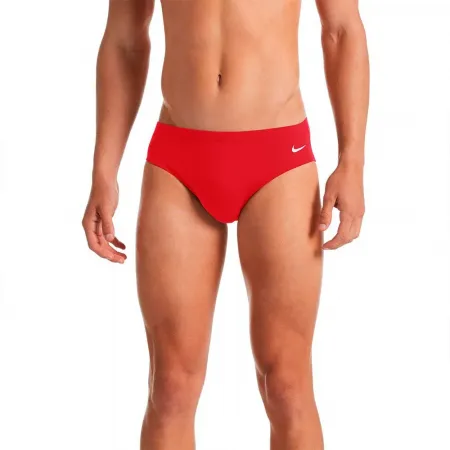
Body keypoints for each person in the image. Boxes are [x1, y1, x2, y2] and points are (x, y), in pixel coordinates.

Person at [82, 0, 369, 448]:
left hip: (280, 159)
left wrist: (352, 161)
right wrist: (104, 170)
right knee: (171, 387)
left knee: (286, 384)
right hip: (178, 158)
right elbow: (124, 39)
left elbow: (342, 29)